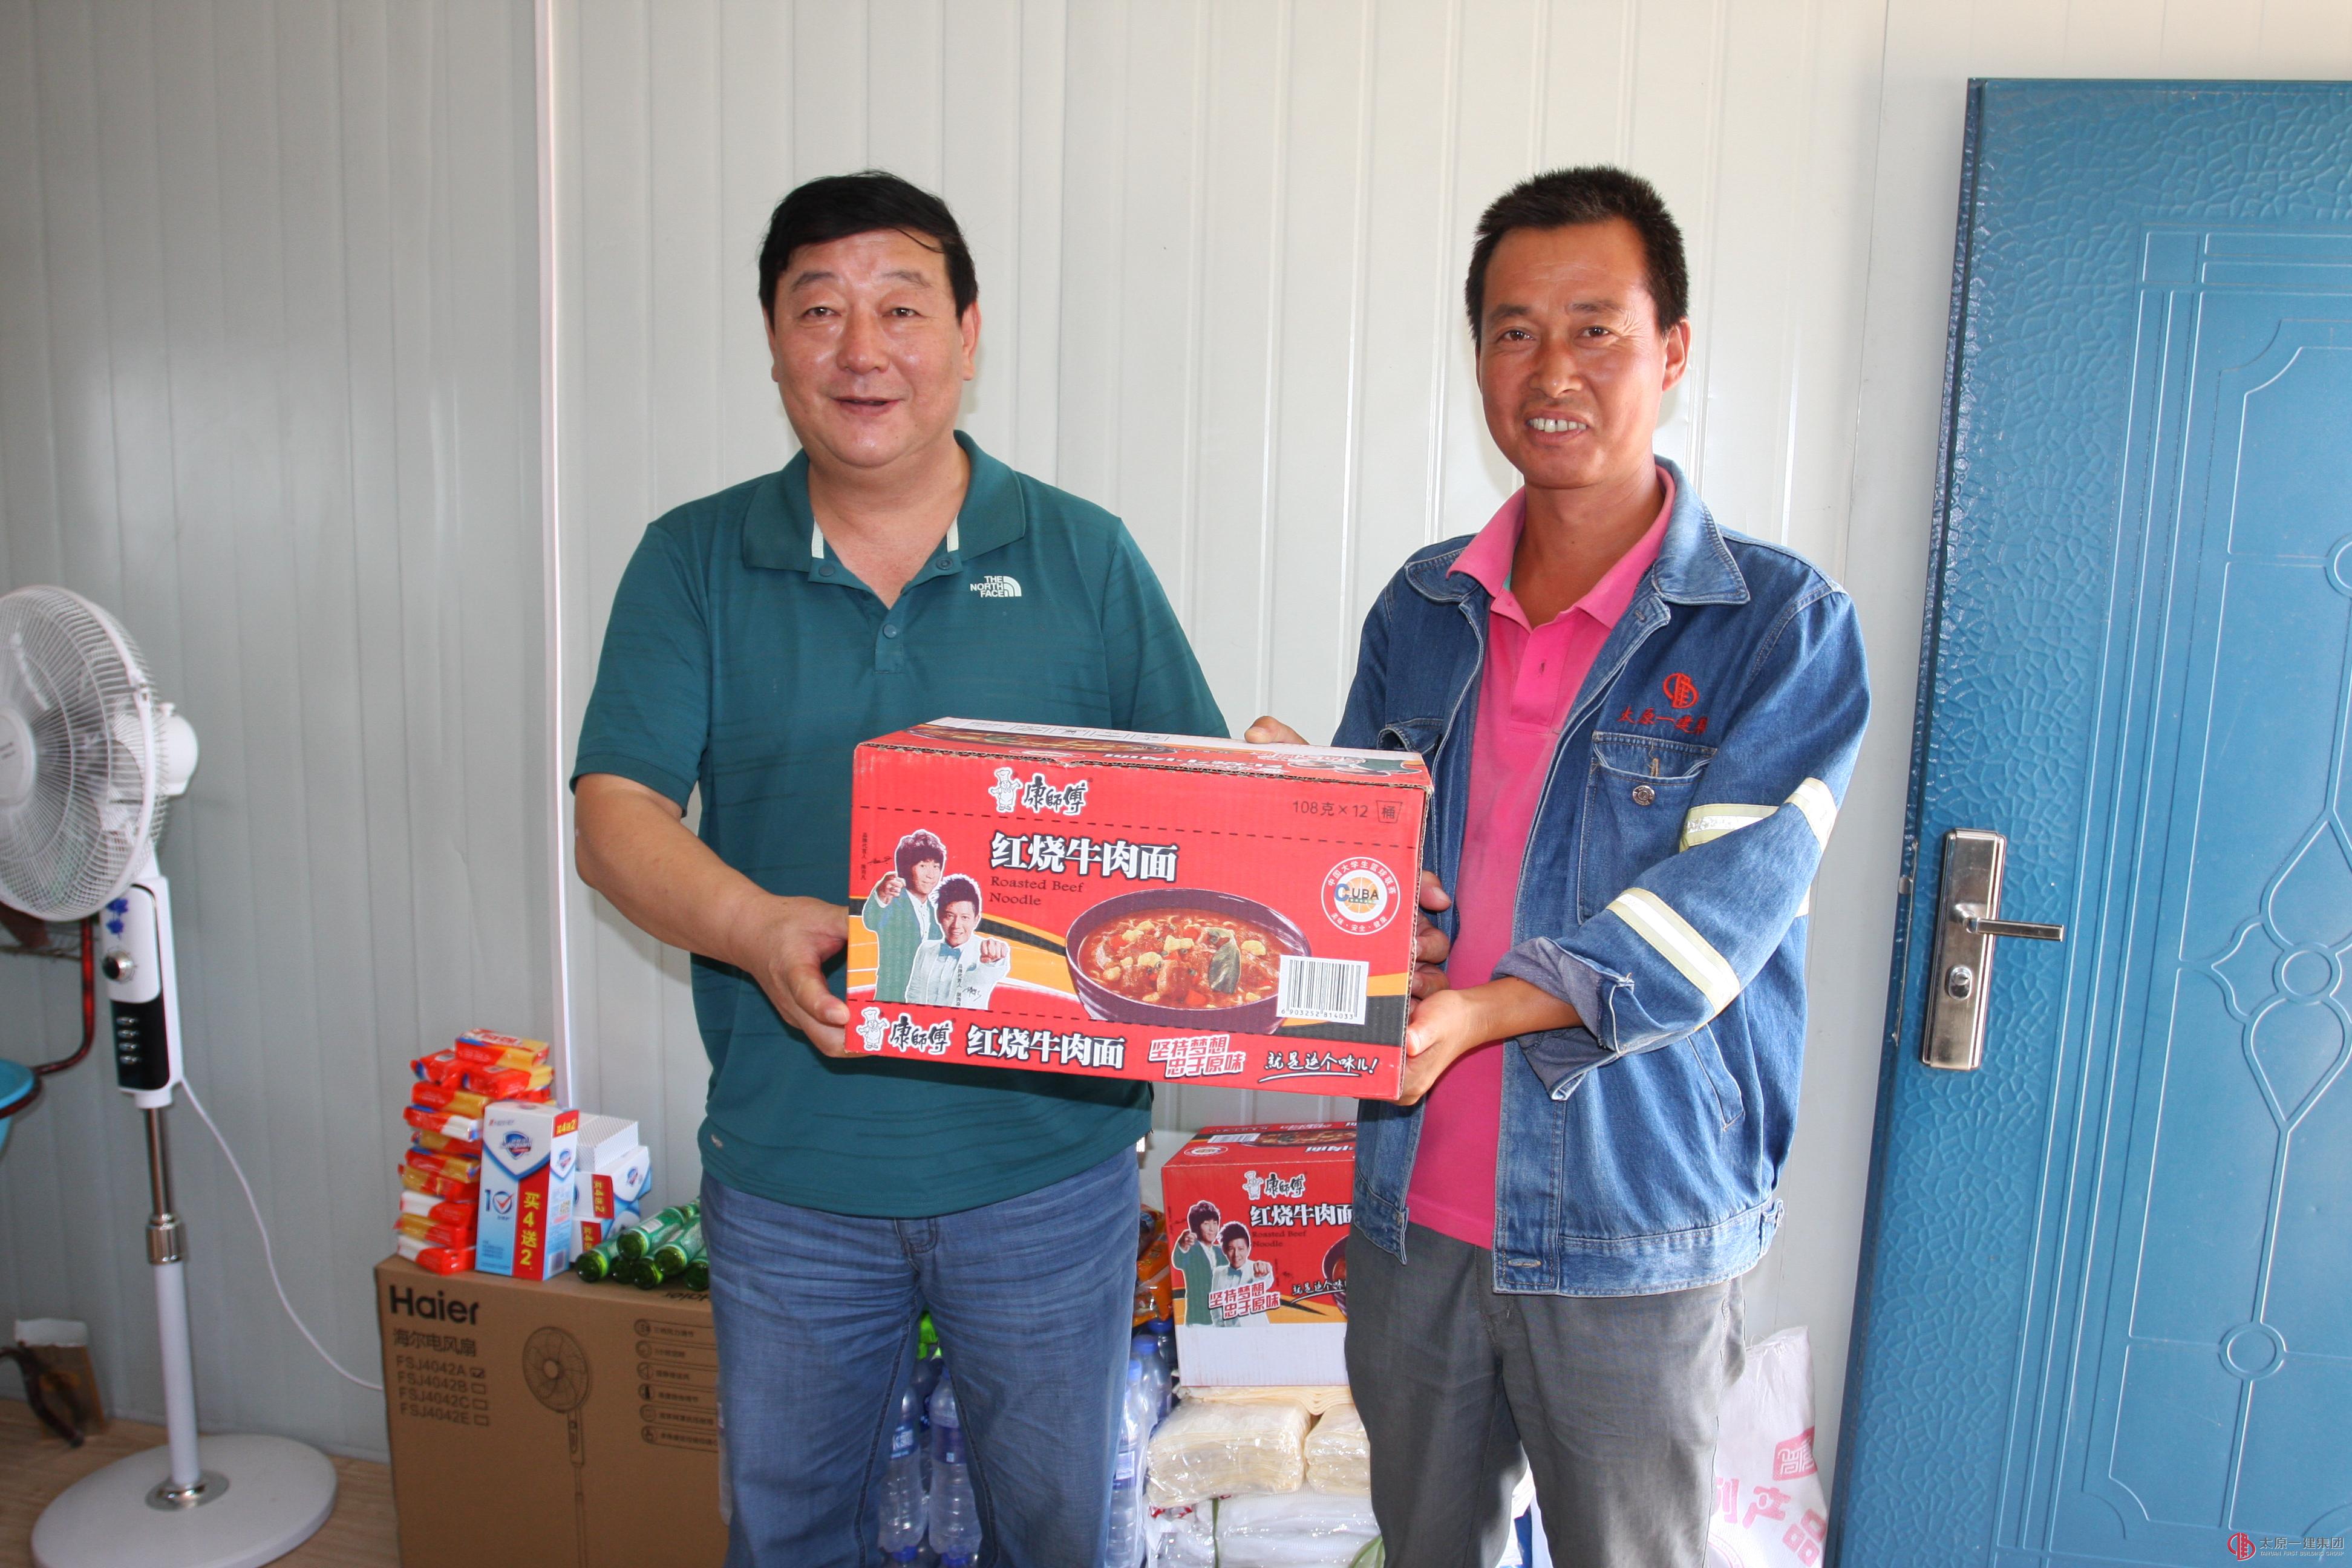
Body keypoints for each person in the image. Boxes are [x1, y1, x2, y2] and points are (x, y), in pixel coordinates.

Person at [572, 169, 1226, 1568]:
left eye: (902, 308)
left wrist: (1292, 806)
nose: (861, 349)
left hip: (1046, 1172)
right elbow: (615, 812)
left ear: (968, 334)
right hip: (792, 1170)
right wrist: (755, 925)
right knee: (791, 1536)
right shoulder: (692, 562)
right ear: (773, 340)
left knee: (1056, 1536)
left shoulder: (1085, 557)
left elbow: (1199, 826)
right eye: (820, 309)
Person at [1250, 166, 1869, 1566]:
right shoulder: (1423, 606)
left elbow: (1720, 912)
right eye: (1513, 330)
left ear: (1672, 349)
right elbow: (1370, 885)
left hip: (1634, 1226)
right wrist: (1293, 821)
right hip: (1413, 1213)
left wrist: (1484, 1008)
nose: (1552, 370)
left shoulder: (1779, 626)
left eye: (1596, 328)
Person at [863, 829, 947, 1002]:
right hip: (892, 996)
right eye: (923, 866)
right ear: (907, 868)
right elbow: (872, 920)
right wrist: (881, 894)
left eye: (936, 867)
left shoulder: (935, 913)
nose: (931, 875)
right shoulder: (894, 901)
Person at [903, 876, 1011, 1008]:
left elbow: (992, 970)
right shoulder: (926, 948)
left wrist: (996, 958)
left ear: (976, 920)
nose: (956, 925)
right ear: (939, 916)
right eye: (949, 916)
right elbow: (914, 992)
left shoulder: (984, 951)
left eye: (965, 917)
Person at [1170, 1201, 1224, 1327]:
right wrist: (1183, 1244)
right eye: (1206, 1224)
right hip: (1199, 1320)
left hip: (1223, 1320)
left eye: (1215, 1223)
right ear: (1196, 1227)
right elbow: (1179, 1261)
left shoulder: (1221, 1252)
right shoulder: (1191, 1249)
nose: (1212, 1229)